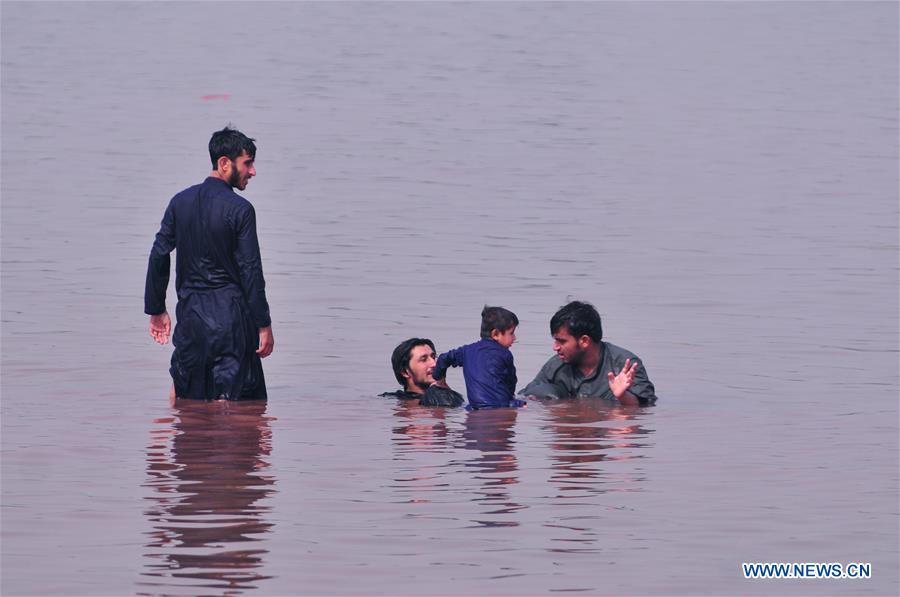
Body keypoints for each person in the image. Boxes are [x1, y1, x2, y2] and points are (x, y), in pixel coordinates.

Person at [145, 126, 274, 401]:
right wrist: (264, 324)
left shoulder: (180, 202)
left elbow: (158, 254)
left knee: (184, 401)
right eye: (247, 163)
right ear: (224, 163)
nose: (253, 172)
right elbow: (251, 271)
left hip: (191, 321)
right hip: (232, 324)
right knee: (242, 416)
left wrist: (156, 308)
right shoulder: (241, 210)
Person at [520, 301, 657, 406]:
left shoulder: (626, 366)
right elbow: (527, 394)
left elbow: (645, 409)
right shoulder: (556, 364)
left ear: (584, 341)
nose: (555, 347)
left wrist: (622, 396)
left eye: (561, 341)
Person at [432, 306, 527, 410]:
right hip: (499, 406)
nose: (514, 338)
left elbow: (443, 358)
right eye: (511, 333)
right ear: (495, 334)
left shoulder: (466, 351)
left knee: (469, 408)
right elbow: (511, 381)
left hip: (475, 407)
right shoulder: (505, 354)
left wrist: (440, 379)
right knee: (525, 404)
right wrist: (512, 398)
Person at [381, 338, 464, 407]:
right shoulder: (391, 401)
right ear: (405, 372)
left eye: (433, 357)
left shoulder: (450, 396)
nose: (434, 364)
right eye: (423, 360)